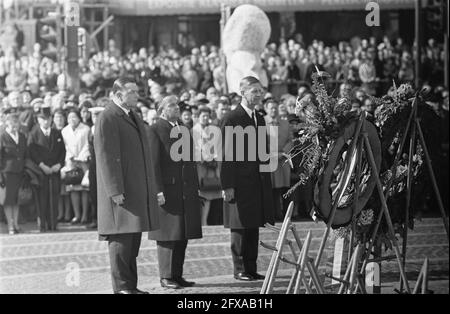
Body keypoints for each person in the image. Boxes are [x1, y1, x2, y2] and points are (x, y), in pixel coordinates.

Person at [94, 77, 159, 294]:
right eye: (132, 91)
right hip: (121, 191)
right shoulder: (108, 117)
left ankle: (130, 285)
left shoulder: (132, 115)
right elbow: (106, 157)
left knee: (132, 242)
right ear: (118, 93)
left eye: (137, 91)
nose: (136, 95)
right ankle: (122, 287)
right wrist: (115, 190)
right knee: (121, 241)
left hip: (135, 188)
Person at [220, 76, 275, 281]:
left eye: (261, 91)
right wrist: (227, 185)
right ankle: (240, 268)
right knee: (240, 226)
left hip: (256, 182)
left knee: (252, 225)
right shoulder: (231, 118)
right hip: (239, 182)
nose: (259, 94)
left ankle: (251, 267)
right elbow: (225, 155)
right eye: (254, 91)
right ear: (242, 92)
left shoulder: (259, 118)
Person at [148, 95, 202, 290]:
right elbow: (153, 164)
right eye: (171, 105)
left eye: (177, 105)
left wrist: (195, 186)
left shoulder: (184, 129)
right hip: (168, 190)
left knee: (181, 234)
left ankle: (177, 274)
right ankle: (166, 275)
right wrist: (158, 190)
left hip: (185, 190)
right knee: (167, 235)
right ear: (162, 110)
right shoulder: (155, 130)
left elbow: (191, 162)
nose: (177, 108)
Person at [27, 106, 65, 232]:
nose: (46, 121)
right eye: (42, 119)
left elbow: (62, 152)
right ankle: (42, 224)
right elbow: (32, 152)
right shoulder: (34, 133)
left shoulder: (56, 133)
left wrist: (58, 165)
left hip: (54, 171)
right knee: (41, 199)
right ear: (38, 120)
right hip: (40, 172)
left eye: (48, 118)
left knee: (54, 197)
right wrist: (42, 165)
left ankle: (53, 224)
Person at [264, 99, 294, 221]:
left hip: (283, 161)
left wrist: (283, 153)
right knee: (270, 189)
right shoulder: (262, 123)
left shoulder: (285, 123)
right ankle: (272, 214)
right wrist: (272, 154)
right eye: (271, 108)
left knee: (284, 188)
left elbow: (291, 140)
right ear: (266, 109)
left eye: (275, 107)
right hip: (268, 160)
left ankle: (285, 215)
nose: (274, 110)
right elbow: (259, 141)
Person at [193, 106, 222, 226]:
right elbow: (193, 150)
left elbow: (219, 146)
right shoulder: (193, 131)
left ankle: (209, 221)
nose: (205, 118)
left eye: (207, 116)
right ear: (198, 117)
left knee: (212, 192)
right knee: (201, 194)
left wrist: (214, 157)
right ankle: (201, 221)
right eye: (203, 116)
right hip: (200, 167)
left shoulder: (214, 130)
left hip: (213, 167)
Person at [61, 109, 91, 225]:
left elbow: (87, 145)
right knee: (73, 188)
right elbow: (65, 147)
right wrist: (71, 157)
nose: (71, 120)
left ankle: (84, 215)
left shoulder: (86, 129)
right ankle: (77, 215)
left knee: (83, 189)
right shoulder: (64, 131)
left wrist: (80, 157)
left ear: (79, 118)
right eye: (69, 117)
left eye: (74, 117)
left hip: (83, 161)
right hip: (71, 161)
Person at [0, 113, 27, 235]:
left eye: (16, 123)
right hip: (7, 173)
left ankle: (16, 224)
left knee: (17, 200)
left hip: (19, 172)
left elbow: (24, 154)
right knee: (8, 200)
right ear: (6, 123)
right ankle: (10, 225)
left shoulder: (21, 136)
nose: (13, 125)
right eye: (11, 123)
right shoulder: (2, 137)